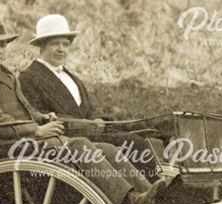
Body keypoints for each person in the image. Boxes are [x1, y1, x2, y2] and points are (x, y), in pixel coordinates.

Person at [0, 16, 167, 204]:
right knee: (79, 146)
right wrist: (37, 130)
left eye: (2, 45)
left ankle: (150, 197)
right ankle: (129, 201)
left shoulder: (5, 73)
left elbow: (25, 109)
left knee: (108, 149)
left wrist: (42, 117)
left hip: (27, 143)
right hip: (7, 147)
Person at [19, 13, 159, 180]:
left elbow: (87, 108)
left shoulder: (72, 77)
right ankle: (145, 196)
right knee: (134, 145)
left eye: (65, 44)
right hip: (68, 138)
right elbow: (40, 115)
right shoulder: (29, 77)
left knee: (149, 135)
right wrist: (88, 125)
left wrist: (97, 119)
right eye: (54, 44)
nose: (61, 49)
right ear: (41, 46)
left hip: (89, 131)